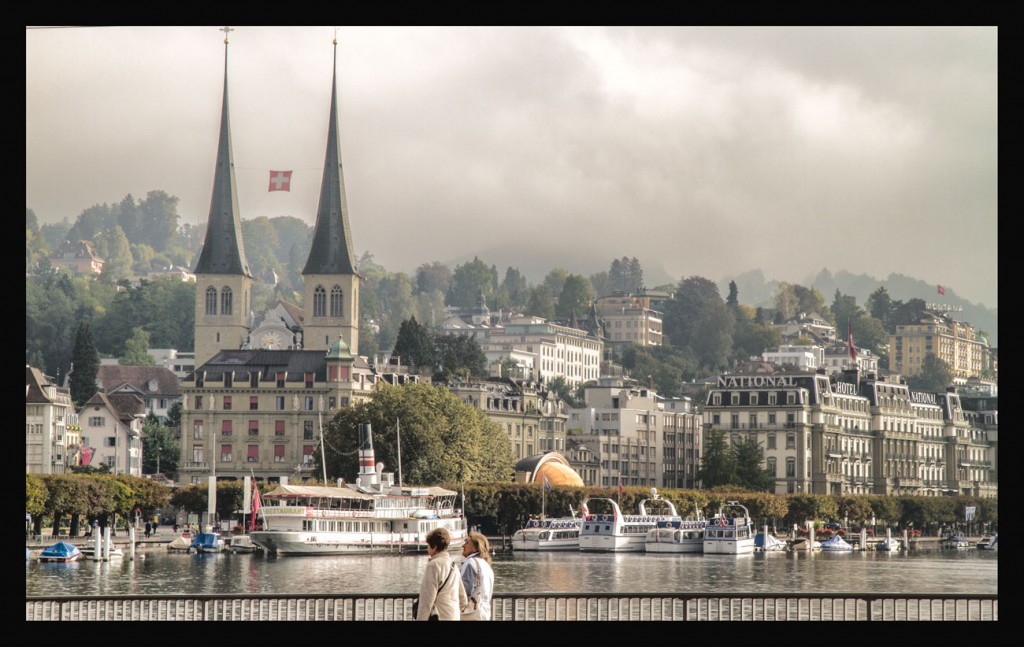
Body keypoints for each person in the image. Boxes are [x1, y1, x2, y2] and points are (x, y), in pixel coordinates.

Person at [416, 527, 466, 621]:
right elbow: (463, 599)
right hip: (454, 616)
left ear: (434, 547)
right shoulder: (453, 565)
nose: (427, 548)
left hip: (439, 616)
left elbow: (427, 600)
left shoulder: (433, 565)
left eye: (428, 545)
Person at [459, 531, 495, 621]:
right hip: (485, 611)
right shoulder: (486, 565)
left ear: (475, 548)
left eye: (467, 543)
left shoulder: (470, 562)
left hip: (471, 613)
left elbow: (465, 590)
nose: (463, 546)